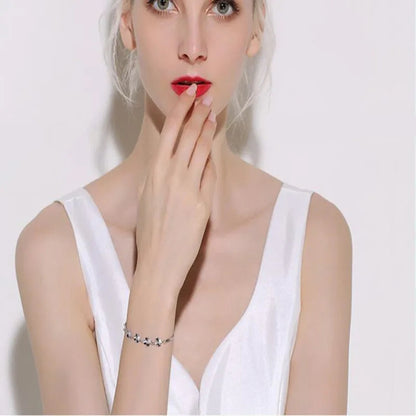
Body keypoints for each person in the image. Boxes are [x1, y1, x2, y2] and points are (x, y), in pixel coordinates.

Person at [15, 0, 352, 414]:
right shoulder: (57, 248)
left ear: (255, 28)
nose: (193, 47)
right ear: (128, 24)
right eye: (164, 4)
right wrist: (155, 281)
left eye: (222, 7)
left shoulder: (313, 239)